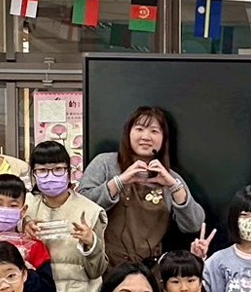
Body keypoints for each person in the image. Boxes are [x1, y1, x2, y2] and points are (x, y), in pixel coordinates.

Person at [77, 105, 205, 267]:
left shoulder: (170, 178)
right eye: (139, 129)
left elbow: (194, 224)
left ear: (163, 139)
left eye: (154, 131)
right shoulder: (105, 164)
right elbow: (81, 205)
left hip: (149, 269)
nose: (146, 136)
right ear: (128, 133)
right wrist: (119, 181)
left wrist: (174, 187)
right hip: (105, 265)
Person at [25, 140, 108, 292]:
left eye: (58, 169)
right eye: (42, 170)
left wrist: (90, 243)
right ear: (33, 174)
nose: (50, 176)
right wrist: (22, 226)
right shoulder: (24, 207)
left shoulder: (90, 211)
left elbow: (97, 270)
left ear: (69, 172)